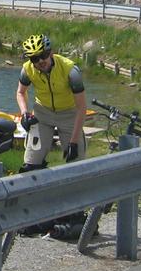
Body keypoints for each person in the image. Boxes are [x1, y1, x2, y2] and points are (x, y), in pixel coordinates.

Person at [15, 33, 88, 238]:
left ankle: (75, 215)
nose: (39, 62)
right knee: (31, 164)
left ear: (51, 52)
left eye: (43, 56)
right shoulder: (28, 69)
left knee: (76, 163)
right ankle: (33, 213)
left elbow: (82, 108)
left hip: (69, 114)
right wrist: (24, 114)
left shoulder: (70, 70)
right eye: (34, 59)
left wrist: (73, 142)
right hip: (43, 113)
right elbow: (21, 92)